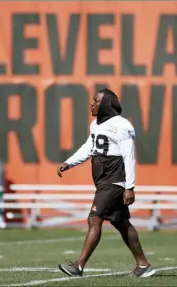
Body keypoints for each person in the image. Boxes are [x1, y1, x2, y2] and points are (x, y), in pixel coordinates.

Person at [57, 89, 155, 278]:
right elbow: (89, 147)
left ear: (106, 104)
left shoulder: (121, 125)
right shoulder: (95, 124)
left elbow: (129, 156)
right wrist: (69, 162)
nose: (91, 103)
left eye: (95, 101)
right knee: (121, 222)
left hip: (114, 180)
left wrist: (130, 186)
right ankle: (143, 265)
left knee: (95, 218)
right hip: (104, 181)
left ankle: (78, 266)